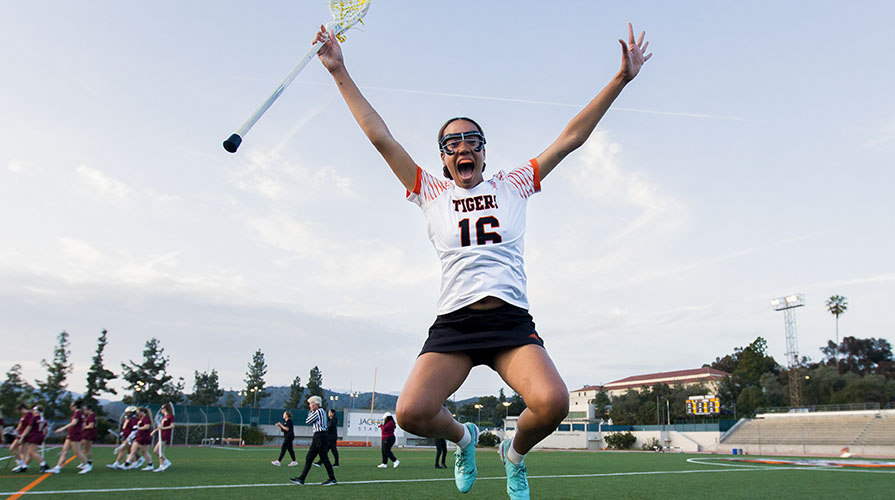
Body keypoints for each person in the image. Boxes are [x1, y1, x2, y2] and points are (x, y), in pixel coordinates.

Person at [313, 22, 651, 499]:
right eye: (451, 143)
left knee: (552, 403)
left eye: (472, 138)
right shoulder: (430, 191)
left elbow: (570, 137)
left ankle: (513, 454)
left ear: (484, 152)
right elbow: (380, 136)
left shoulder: (513, 184)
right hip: (455, 325)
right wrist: (338, 70)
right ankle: (464, 437)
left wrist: (620, 79)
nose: (462, 146)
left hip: (510, 322)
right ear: (444, 159)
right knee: (411, 413)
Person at [289, 396, 337, 486]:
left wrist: (311, 412)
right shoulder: (320, 411)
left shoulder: (318, 412)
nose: (310, 406)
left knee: (324, 458)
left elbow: (308, 421)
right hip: (318, 436)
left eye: (311, 403)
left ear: (316, 404)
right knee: (309, 457)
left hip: (320, 435)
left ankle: (332, 478)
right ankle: (302, 478)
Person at [47, 399, 91, 474]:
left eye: (71, 405)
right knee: (64, 451)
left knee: (77, 451)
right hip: (71, 434)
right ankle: (57, 467)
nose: (70, 407)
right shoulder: (77, 413)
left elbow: (74, 423)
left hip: (75, 435)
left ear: (75, 406)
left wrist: (62, 428)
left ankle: (87, 466)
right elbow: (83, 425)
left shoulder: (78, 413)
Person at [152, 403, 174, 472]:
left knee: (156, 451)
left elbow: (172, 426)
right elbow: (160, 426)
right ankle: (161, 465)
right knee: (160, 451)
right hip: (161, 434)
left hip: (165, 434)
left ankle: (166, 462)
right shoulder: (164, 417)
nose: (161, 410)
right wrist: (154, 431)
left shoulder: (170, 416)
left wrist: (163, 428)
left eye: (162, 408)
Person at [79, 404, 97, 472]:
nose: (84, 411)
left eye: (85, 410)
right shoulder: (91, 415)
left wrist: (84, 427)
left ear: (89, 409)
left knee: (86, 449)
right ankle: (85, 462)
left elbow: (91, 425)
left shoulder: (91, 416)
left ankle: (88, 463)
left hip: (89, 434)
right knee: (85, 448)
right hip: (89, 434)